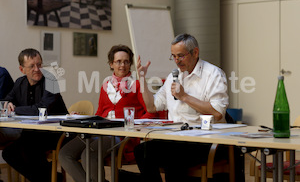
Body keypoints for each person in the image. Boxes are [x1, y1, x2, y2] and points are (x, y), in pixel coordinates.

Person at [134, 33, 229, 182]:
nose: (177, 61)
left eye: (181, 56)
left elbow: (217, 113)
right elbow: (152, 107)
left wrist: (184, 97)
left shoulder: (213, 74)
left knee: (173, 157)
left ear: (195, 52)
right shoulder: (173, 76)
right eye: (173, 56)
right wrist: (141, 79)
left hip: (204, 140)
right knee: (142, 151)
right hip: (175, 138)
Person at [59, 45, 157, 182]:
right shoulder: (106, 85)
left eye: (126, 61)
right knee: (65, 154)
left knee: (89, 154)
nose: (122, 65)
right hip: (99, 132)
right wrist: (83, 118)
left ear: (130, 64)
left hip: (120, 135)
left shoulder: (138, 85)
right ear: (111, 64)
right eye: (118, 61)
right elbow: (100, 113)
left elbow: (151, 112)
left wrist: (132, 125)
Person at [2, 48, 68, 182]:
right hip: (33, 133)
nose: (37, 69)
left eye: (39, 64)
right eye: (32, 66)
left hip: (56, 133)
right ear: (22, 69)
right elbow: (7, 99)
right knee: (9, 153)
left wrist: (15, 110)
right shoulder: (20, 82)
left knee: (27, 148)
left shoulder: (51, 80)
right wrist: (7, 103)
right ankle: (52, 178)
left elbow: (41, 109)